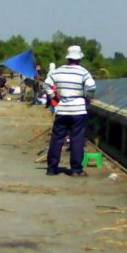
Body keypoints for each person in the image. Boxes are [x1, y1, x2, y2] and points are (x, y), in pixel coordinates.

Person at [43, 45, 96, 176]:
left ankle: (52, 168)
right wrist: (88, 98)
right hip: (78, 110)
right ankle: (76, 170)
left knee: (57, 139)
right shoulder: (83, 72)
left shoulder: (59, 71)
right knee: (77, 139)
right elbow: (92, 86)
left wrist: (53, 95)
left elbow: (46, 84)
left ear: (68, 58)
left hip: (62, 110)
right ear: (79, 59)